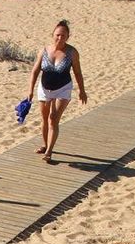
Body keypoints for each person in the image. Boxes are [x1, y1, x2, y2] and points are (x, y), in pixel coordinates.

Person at [24, 19, 88, 163]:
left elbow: (78, 72)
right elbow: (35, 71)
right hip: (44, 88)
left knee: (53, 119)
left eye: (63, 36)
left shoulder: (72, 52)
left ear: (68, 37)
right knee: (45, 118)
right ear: (52, 35)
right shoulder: (44, 50)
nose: (60, 38)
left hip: (63, 88)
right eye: (58, 35)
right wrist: (30, 90)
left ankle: (49, 151)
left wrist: (81, 91)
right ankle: (45, 145)